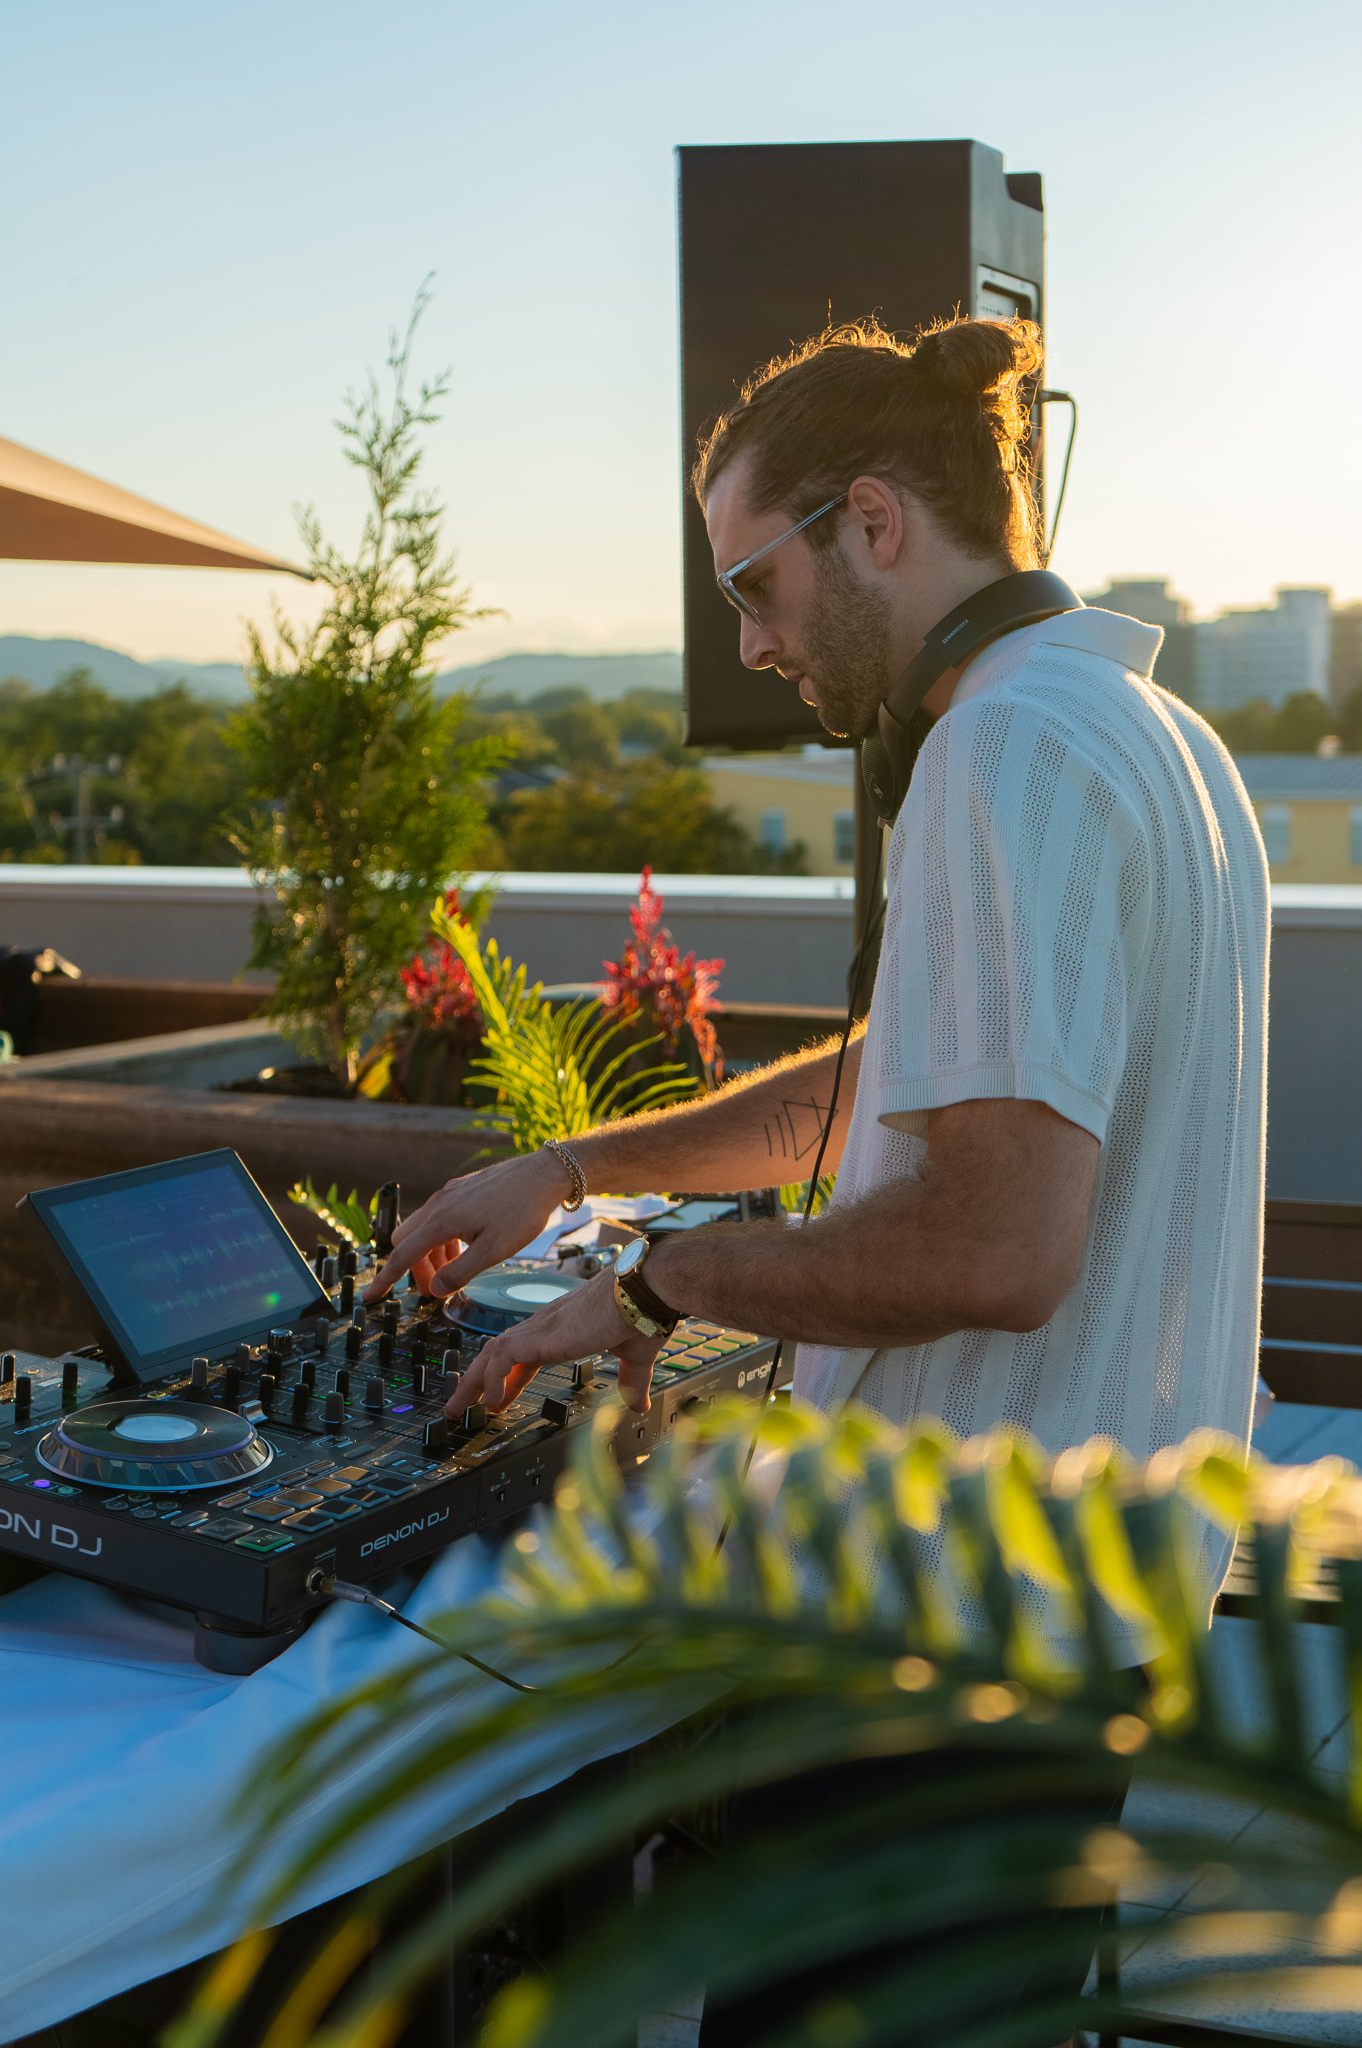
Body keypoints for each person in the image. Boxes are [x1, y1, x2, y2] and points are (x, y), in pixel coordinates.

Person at [367, 313, 1271, 2042]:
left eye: (752, 586)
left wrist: (654, 1286)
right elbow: (902, 1095)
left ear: (869, 520)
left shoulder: (1005, 753)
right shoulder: (1156, 735)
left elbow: (995, 1246)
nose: (751, 642)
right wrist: (574, 1166)